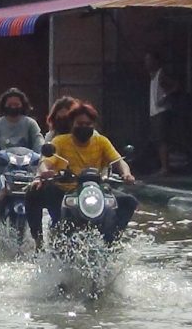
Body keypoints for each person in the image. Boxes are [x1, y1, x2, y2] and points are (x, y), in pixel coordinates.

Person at [24, 102, 138, 244]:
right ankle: (38, 241)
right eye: (80, 123)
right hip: (65, 190)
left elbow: (118, 161)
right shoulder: (59, 141)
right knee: (32, 192)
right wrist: (45, 173)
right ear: (72, 124)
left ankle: (112, 241)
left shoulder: (101, 141)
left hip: (96, 190)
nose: (84, 127)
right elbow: (45, 162)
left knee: (129, 201)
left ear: (94, 125)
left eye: (88, 124)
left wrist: (126, 174)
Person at [0, 88, 44, 219]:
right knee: (0, 185)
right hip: (3, 167)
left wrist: (45, 154)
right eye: (10, 105)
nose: (13, 108)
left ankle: (37, 224)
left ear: (23, 106)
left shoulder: (30, 123)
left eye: (17, 105)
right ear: (4, 106)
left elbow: (39, 141)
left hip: (28, 168)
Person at [145, 51, 179, 176]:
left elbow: (175, 86)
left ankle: (165, 167)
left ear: (155, 61)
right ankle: (162, 166)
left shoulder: (161, 74)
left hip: (161, 111)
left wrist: (165, 97)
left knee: (162, 140)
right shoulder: (152, 75)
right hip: (154, 112)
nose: (146, 63)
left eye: (149, 60)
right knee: (157, 140)